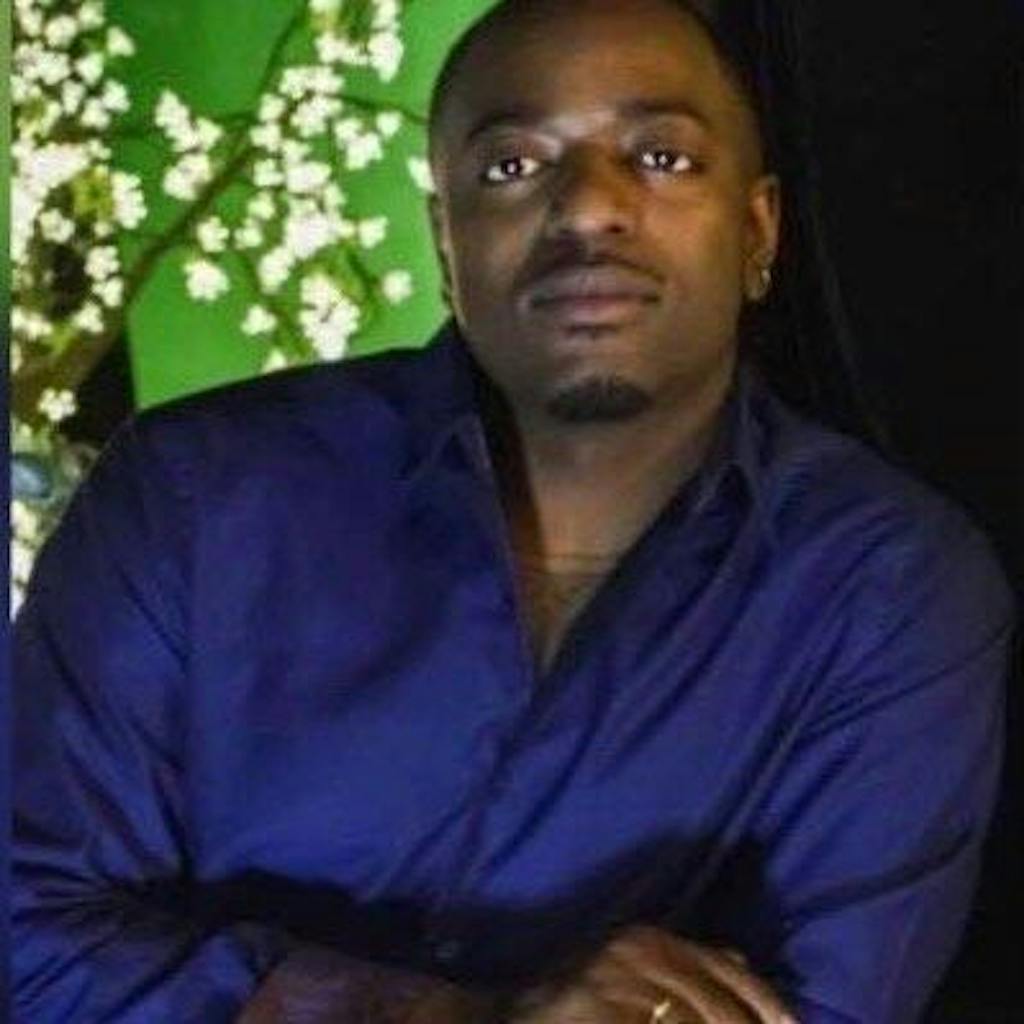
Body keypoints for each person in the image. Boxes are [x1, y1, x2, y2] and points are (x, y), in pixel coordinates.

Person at [12, 0, 1015, 1021]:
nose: (588, 209)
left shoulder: (888, 587)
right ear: (446, 245)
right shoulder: (193, 497)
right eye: (512, 166)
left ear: (757, 232)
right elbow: (25, 938)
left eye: (661, 157)